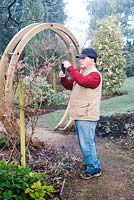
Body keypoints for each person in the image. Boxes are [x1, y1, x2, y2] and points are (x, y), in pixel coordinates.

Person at [59, 48, 102, 180]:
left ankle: (93, 169)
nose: (81, 60)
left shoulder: (94, 75)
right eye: (80, 58)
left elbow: (82, 81)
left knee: (87, 143)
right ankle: (92, 165)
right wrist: (63, 78)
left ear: (92, 60)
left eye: (83, 58)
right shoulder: (83, 73)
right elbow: (71, 85)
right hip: (81, 114)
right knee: (85, 143)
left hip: (87, 116)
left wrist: (70, 68)